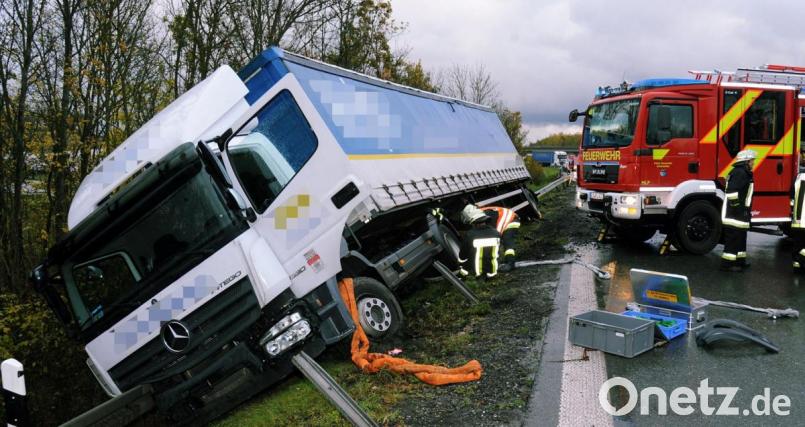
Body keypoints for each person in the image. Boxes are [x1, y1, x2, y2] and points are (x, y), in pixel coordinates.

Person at [720, 149, 756, 272]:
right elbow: (731, 192)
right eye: (752, 161)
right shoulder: (740, 173)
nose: (753, 163)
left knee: (741, 238)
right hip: (734, 214)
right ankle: (727, 265)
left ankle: (740, 261)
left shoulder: (742, 172)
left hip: (740, 213)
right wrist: (737, 208)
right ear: (746, 161)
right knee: (733, 239)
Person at [459, 204, 501, 279]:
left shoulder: (470, 235)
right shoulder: (496, 233)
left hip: (477, 273)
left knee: (466, 260)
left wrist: (460, 263)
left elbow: (463, 254)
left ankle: (462, 277)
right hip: (492, 272)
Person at [480, 205, 521, 272]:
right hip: (508, 218)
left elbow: (495, 234)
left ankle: (511, 263)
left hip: (511, 219)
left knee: (507, 241)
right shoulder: (482, 213)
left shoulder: (483, 214)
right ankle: (505, 261)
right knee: (503, 241)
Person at [790, 173, 805, 272]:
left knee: (798, 243)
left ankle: (797, 266)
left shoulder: (798, 177)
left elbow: (791, 195)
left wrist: (793, 210)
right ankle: (801, 261)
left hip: (797, 219)